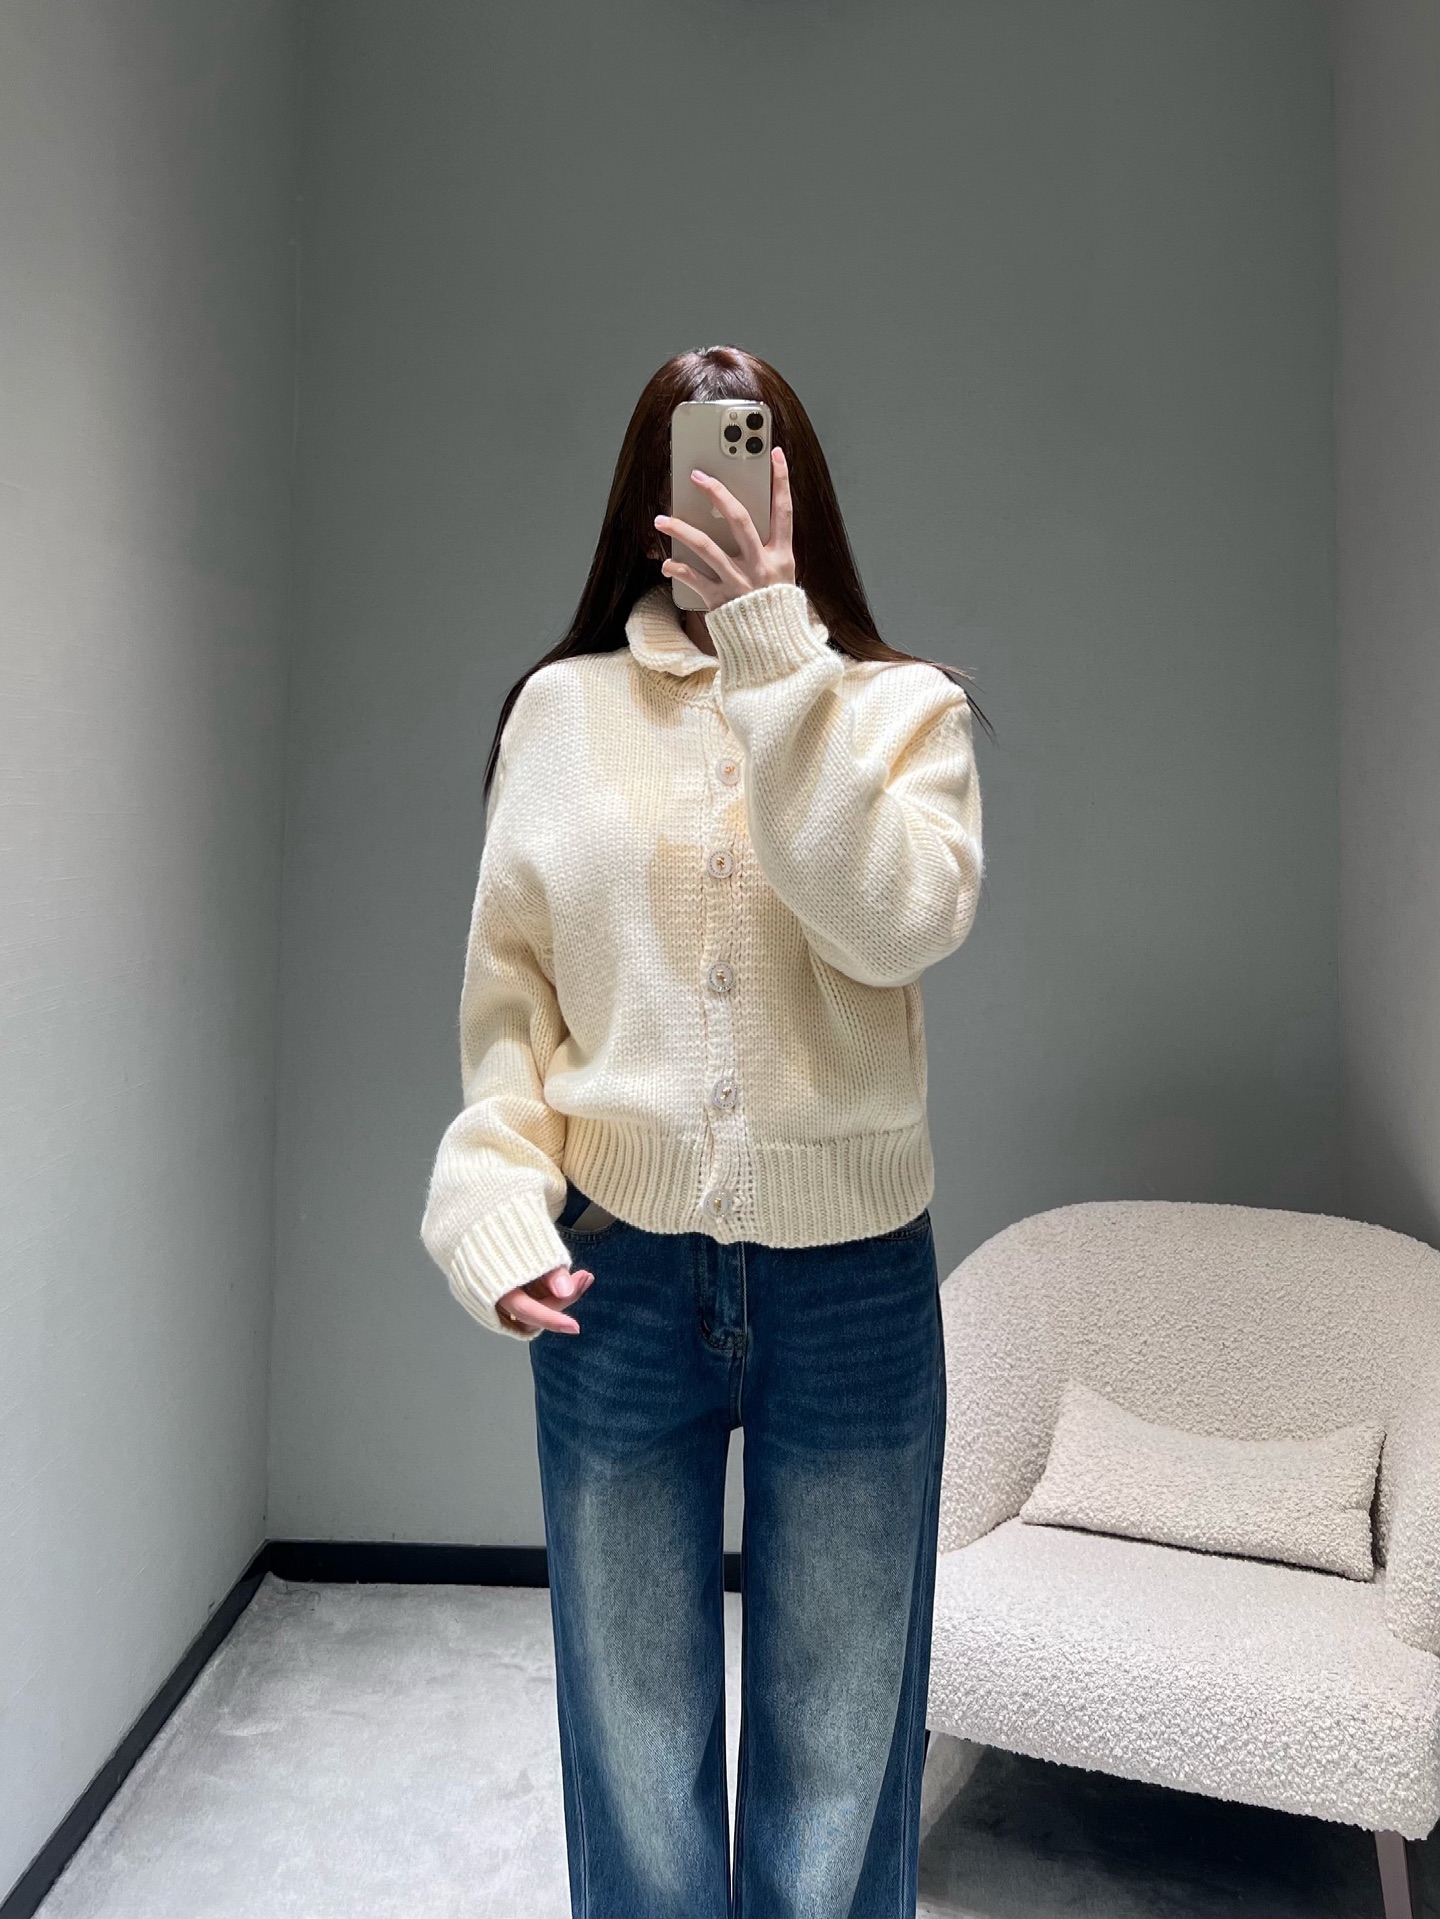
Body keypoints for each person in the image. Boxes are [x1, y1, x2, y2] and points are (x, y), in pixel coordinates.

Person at [420, 344, 987, 1919]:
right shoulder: (559, 716)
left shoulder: (903, 713)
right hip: (616, 1279)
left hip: (854, 1289)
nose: (720, 497)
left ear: (795, 494)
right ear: (646, 497)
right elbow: (512, 1017)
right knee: (636, 1746)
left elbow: (892, 923)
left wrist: (777, 663)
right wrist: (494, 1207)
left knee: (840, 1755)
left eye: (751, 464)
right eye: (695, 467)